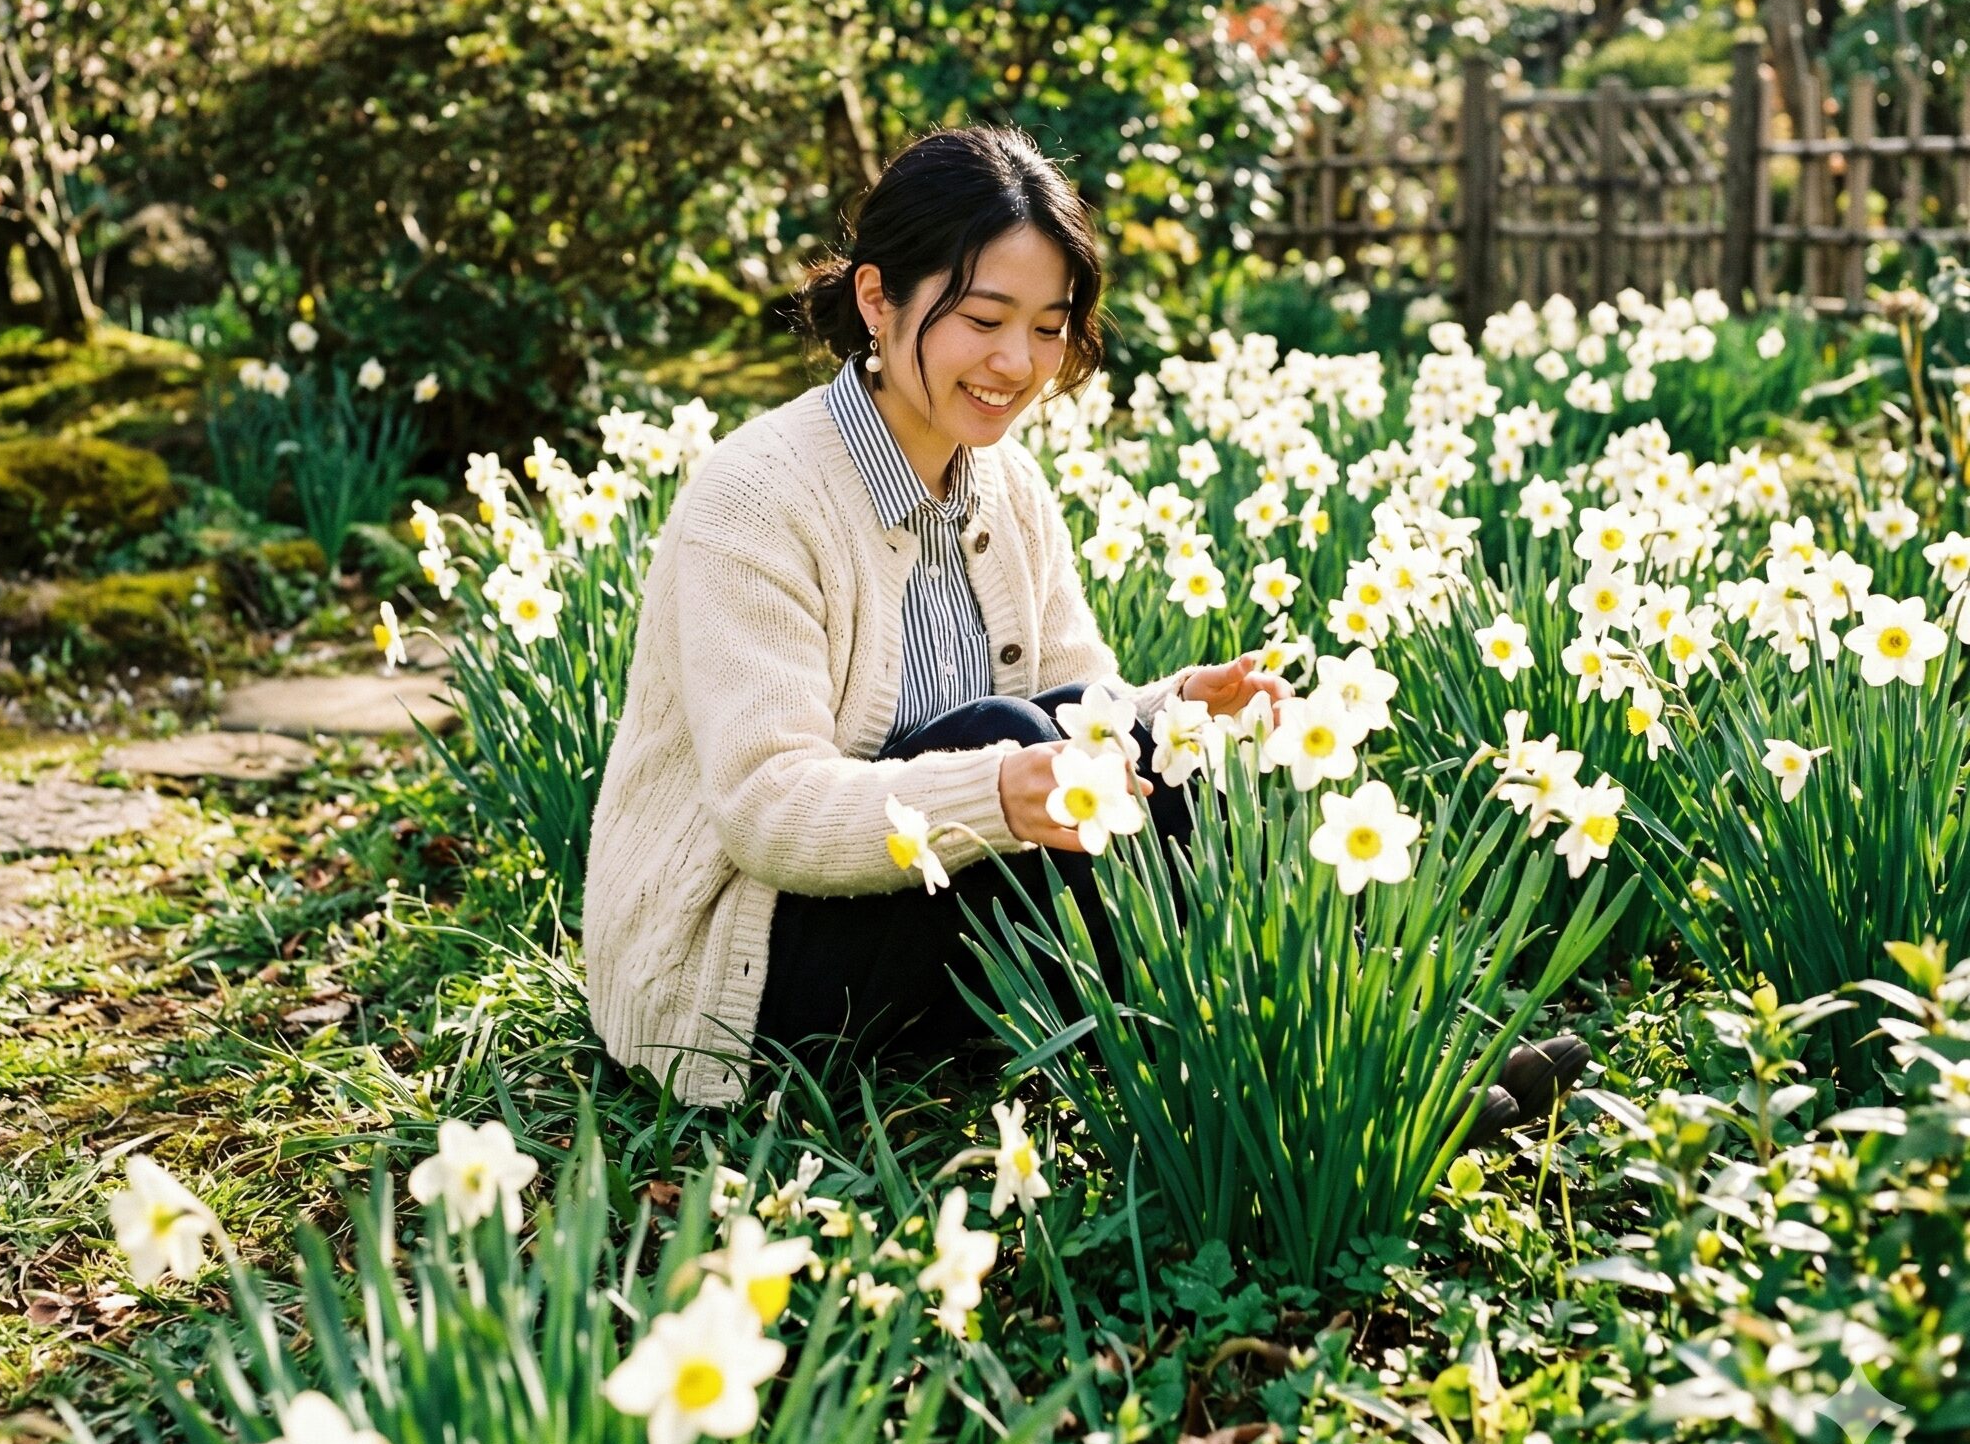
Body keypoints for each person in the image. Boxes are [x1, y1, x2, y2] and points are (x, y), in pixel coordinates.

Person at [580, 124, 1585, 1126]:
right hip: (746, 973)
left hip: (920, 926)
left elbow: (1081, 704)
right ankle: (1317, 1089)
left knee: (1143, 748)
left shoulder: (1003, 483)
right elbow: (766, 807)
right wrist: (996, 790)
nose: (1017, 361)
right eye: (983, 318)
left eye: (1048, 325)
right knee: (1019, 742)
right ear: (877, 299)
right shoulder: (755, 500)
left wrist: (1175, 707)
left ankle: (1392, 1037)